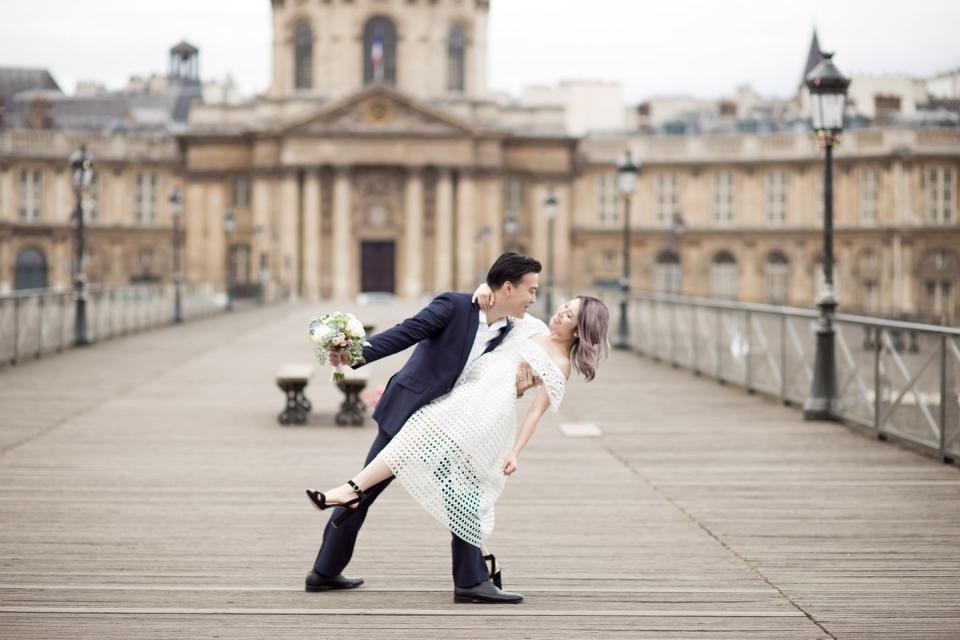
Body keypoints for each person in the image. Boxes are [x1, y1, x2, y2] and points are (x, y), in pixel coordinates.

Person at [307, 264, 611, 605]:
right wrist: (351, 353)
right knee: (374, 492)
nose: (536, 299)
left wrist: (520, 394)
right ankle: (331, 565)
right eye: (531, 290)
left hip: (467, 419)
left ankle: (469, 578)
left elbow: (509, 375)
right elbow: (404, 333)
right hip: (414, 409)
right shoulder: (456, 306)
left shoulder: (516, 324)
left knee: (461, 494)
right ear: (509, 289)